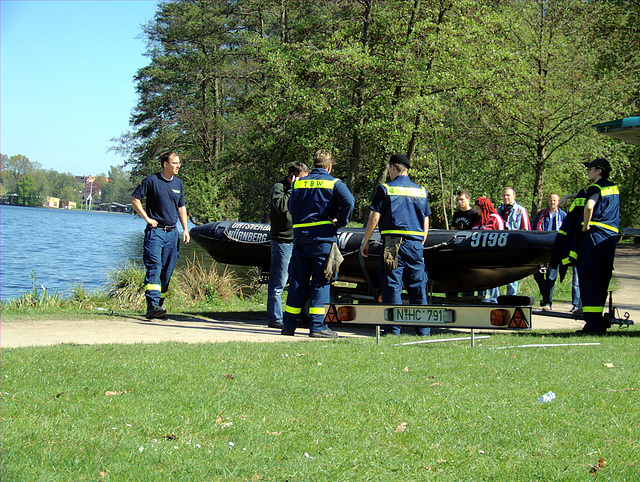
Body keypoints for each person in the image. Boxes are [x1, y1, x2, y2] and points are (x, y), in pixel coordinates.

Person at [281, 150, 355, 338]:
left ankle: (288, 326)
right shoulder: (334, 182)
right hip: (323, 239)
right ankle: (317, 327)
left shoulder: (299, 182)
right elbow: (349, 202)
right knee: (322, 282)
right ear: (329, 167)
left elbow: (290, 207)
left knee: (297, 282)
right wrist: (341, 221)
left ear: (313, 165)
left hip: (300, 239)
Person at [361, 154, 431, 336]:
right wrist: (421, 239)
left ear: (392, 167)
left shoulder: (386, 189)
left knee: (392, 285)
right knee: (417, 285)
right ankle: (423, 330)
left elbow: (375, 217)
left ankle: (393, 330)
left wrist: (365, 241)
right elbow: (426, 218)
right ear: (406, 169)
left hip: (393, 245)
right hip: (415, 244)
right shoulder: (421, 190)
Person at [130, 151, 190, 319]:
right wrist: (147, 218)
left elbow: (181, 207)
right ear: (165, 164)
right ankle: (152, 305)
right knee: (154, 267)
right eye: (174, 163)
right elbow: (134, 199)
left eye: (179, 163)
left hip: (172, 234)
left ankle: (159, 306)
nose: (178, 166)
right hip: (155, 233)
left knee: (167, 271)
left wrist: (185, 229)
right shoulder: (151, 181)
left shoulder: (178, 184)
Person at [576, 158, 620, 334]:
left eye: (590, 169)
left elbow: (589, 205)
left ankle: (592, 324)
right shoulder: (613, 188)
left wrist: (586, 225)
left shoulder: (596, 187)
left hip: (594, 236)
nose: (588, 172)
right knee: (602, 279)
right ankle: (598, 321)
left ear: (599, 171)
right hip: (609, 238)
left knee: (589, 278)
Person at [266, 161, 310, 329]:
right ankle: (275, 318)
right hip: (282, 241)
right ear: (292, 177)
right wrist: (292, 188)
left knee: (296, 280)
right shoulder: (279, 188)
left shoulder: (302, 190)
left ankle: (291, 316)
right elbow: (283, 209)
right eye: (301, 179)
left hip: (298, 240)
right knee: (279, 281)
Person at [532, 194, 581, 312]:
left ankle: (547, 302)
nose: (553, 202)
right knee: (537, 274)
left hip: (557, 248)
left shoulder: (564, 216)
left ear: (558, 202)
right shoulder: (542, 215)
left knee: (551, 275)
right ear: (548, 201)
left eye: (555, 200)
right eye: (551, 200)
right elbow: (534, 230)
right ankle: (545, 296)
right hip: (543, 247)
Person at [496, 187, 531, 296]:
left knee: (512, 274)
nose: (505, 197)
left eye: (508, 195)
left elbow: (526, 230)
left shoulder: (520, 210)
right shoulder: (498, 210)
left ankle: (511, 298)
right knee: (496, 273)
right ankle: (495, 299)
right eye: (503, 195)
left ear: (514, 196)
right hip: (500, 246)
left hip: (513, 247)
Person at [472, 196, 504, 303]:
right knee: (480, 280)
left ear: (483, 207)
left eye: (477, 208)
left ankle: (494, 301)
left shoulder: (495, 218)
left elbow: (501, 235)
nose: (476, 210)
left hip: (492, 256)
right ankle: (482, 301)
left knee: (492, 280)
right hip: (478, 256)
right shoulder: (477, 219)